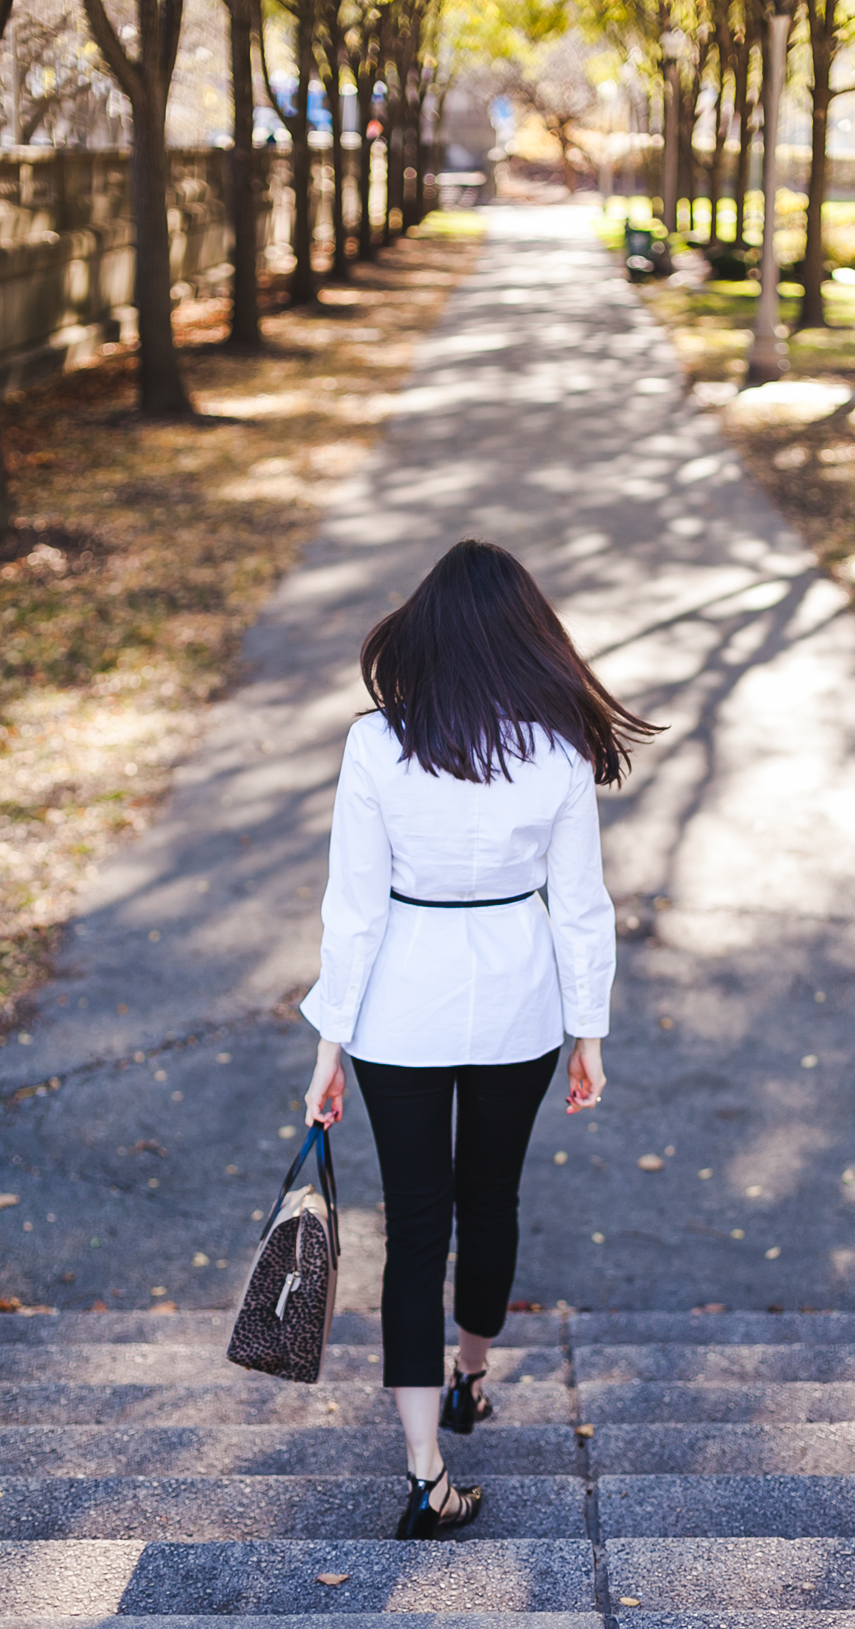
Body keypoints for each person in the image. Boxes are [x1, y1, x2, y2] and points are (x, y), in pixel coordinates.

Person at [301, 539, 660, 1539]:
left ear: (423, 633)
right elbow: (582, 906)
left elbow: (352, 909)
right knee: (487, 1198)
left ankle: (425, 1469)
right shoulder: (551, 750)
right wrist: (587, 1029)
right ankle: (469, 1375)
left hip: (394, 1011)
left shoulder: (376, 743)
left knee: (416, 1225)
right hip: (517, 1002)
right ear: (522, 638)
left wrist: (328, 1042)